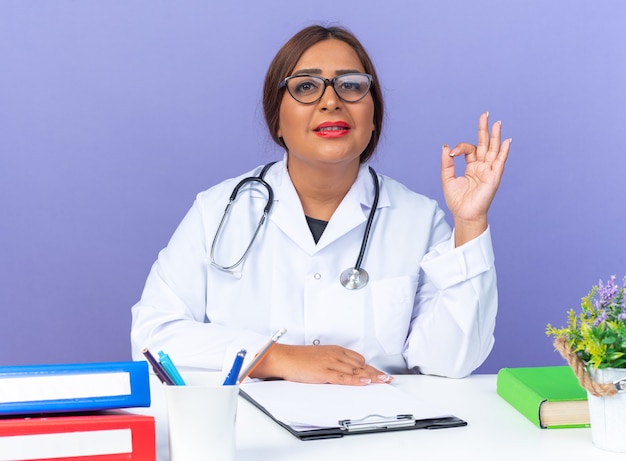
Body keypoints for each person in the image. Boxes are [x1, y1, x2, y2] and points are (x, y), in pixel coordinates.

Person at [130, 24, 511, 385]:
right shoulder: (217, 212)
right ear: (276, 119)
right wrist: (276, 357)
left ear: (373, 115)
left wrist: (470, 221)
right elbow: (152, 338)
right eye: (307, 86)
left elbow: (451, 362)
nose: (331, 100)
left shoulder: (418, 219)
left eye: (350, 85)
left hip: (378, 435)